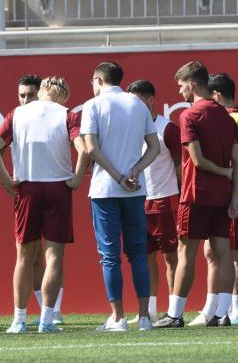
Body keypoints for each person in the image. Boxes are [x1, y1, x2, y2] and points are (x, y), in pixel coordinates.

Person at [0, 76, 89, 333]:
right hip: (58, 189)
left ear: (42, 91)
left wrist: (8, 182)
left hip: (27, 188)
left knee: (24, 257)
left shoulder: (17, 114)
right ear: (63, 94)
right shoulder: (68, 114)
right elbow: (84, 150)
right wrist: (76, 179)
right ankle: (46, 320)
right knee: (54, 256)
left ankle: (19, 320)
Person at [154, 61, 238, 328]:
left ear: (192, 84)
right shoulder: (226, 116)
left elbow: (197, 160)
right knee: (223, 252)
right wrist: (235, 194)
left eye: (181, 85)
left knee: (186, 253)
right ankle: (222, 314)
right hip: (222, 197)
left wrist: (222, 173)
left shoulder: (189, 115)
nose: (179, 91)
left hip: (195, 195)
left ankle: (174, 314)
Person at [80, 61, 160, 332]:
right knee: (138, 253)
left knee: (110, 256)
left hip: (106, 189)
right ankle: (145, 318)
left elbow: (91, 149)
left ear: (98, 79)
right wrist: (134, 171)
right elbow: (154, 147)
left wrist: (117, 176)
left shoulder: (93, 105)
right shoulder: (138, 104)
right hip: (135, 189)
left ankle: (118, 318)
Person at [199, 73, 238, 326]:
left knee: (233, 256)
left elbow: (235, 160)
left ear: (215, 96)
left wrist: (234, 185)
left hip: (236, 197)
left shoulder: (229, 121)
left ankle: (237, 312)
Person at [126, 80, 181, 325]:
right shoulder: (129, 129)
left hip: (165, 201)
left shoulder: (167, 128)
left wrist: (180, 196)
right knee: (145, 258)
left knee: (171, 257)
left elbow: (181, 166)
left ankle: (173, 312)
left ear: (150, 100)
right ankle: (149, 313)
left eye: (137, 101)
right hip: (138, 202)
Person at [15, 74, 66, 325]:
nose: (26, 100)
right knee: (35, 257)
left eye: (31, 95)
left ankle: (51, 314)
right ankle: (40, 315)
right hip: (33, 188)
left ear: (41, 94)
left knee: (47, 255)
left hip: (40, 187)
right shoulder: (17, 116)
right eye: (22, 95)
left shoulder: (59, 114)